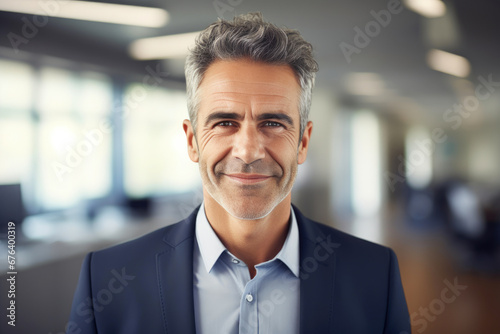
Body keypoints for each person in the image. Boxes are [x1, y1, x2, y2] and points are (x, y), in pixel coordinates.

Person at [69, 12, 410, 334]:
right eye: (225, 123)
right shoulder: (107, 280)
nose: (248, 151)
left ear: (303, 143)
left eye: (273, 123)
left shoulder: (375, 276)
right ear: (192, 141)